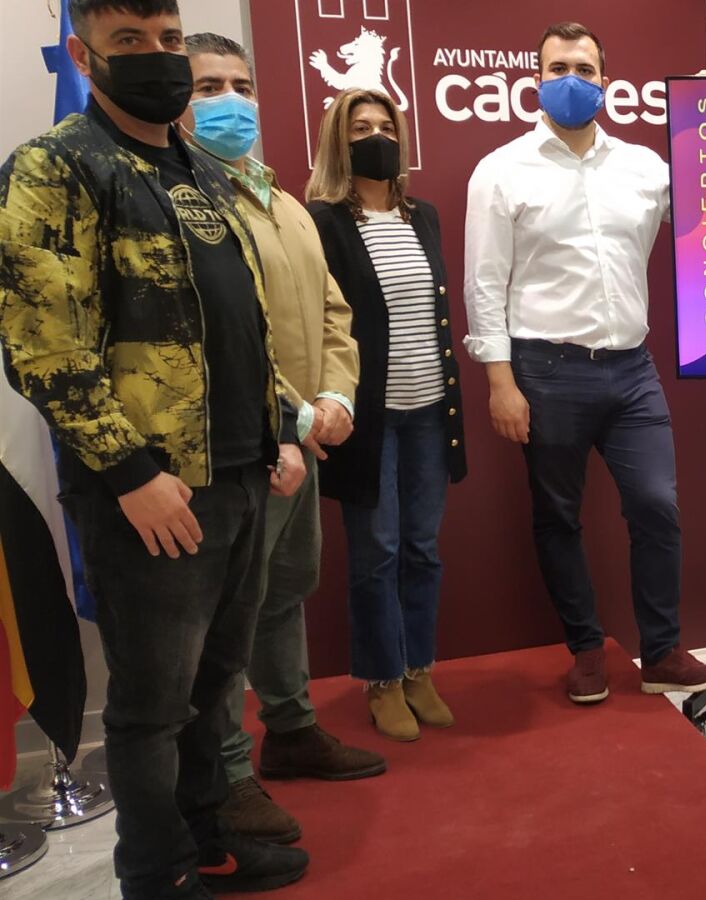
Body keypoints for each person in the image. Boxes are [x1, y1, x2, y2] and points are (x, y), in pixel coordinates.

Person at [0, 2, 311, 896]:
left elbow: (236, 323)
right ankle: (157, 873)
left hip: (240, 472)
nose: (159, 57)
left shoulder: (201, 169)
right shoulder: (56, 167)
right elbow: (42, 345)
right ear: (82, 54)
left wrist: (278, 429)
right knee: (151, 707)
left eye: (170, 40)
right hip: (152, 490)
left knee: (215, 688)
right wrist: (132, 473)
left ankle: (209, 840)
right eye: (130, 42)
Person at [463, 21, 706, 704]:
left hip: (632, 370)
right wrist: (499, 381)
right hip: (545, 371)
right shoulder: (501, 170)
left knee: (658, 507)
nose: (571, 81)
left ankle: (662, 652)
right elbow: (484, 283)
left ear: (605, 81)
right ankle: (585, 650)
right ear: (536, 81)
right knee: (558, 517)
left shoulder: (643, 167)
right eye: (558, 69)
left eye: (584, 69)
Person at [179, 33, 387, 846]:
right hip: (242, 452)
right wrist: (285, 421)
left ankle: (292, 730)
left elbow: (334, 311)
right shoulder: (183, 203)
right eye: (208, 87)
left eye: (240, 84)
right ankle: (227, 772)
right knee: (225, 617)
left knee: (284, 592)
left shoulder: (283, 202)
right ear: (176, 97)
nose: (229, 101)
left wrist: (334, 396)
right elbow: (212, 334)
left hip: (308, 440)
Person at [305, 88, 467, 742]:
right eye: (360, 128)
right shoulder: (322, 222)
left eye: (386, 126)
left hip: (429, 412)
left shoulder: (423, 216)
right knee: (377, 553)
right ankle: (382, 678)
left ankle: (419, 668)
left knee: (423, 549)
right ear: (338, 142)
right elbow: (321, 323)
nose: (376, 137)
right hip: (368, 420)